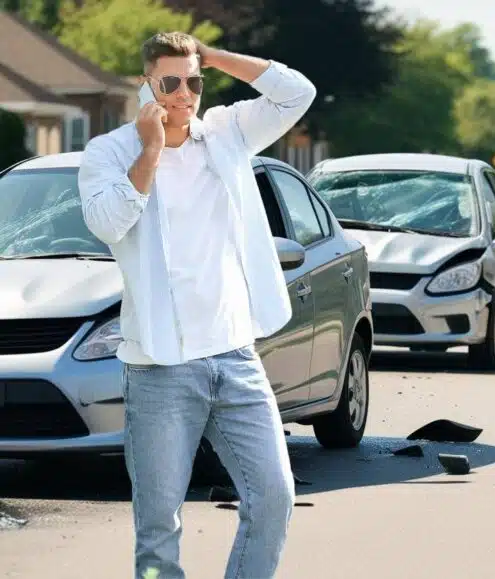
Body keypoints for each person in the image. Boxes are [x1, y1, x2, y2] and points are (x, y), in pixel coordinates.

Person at [78, 32, 315, 578]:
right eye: (170, 83)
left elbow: (296, 93)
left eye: (194, 82)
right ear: (146, 85)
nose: (184, 95)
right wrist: (151, 151)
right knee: (159, 528)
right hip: (160, 368)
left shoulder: (227, 133)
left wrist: (212, 57)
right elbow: (108, 223)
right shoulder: (109, 152)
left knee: (274, 496)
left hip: (234, 356)